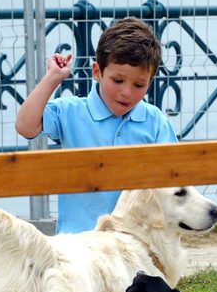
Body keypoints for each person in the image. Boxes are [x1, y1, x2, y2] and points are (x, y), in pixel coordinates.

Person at [15, 17, 178, 234]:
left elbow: (174, 179)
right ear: (97, 72)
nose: (127, 92)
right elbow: (26, 126)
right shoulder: (70, 112)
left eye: (139, 85)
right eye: (118, 81)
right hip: (78, 243)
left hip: (135, 242)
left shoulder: (155, 122)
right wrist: (53, 78)